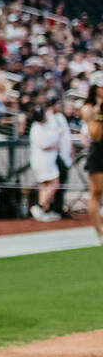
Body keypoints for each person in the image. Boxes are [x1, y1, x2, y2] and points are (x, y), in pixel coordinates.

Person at [27, 102, 65, 222]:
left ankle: (43, 209)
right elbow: (44, 144)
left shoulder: (44, 125)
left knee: (45, 185)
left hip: (47, 160)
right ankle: (40, 207)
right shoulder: (36, 128)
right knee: (54, 183)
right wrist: (56, 144)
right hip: (43, 161)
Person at [82, 72, 103, 246]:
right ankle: (99, 234)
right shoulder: (89, 108)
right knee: (96, 193)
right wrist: (99, 115)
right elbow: (95, 135)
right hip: (99, 151)